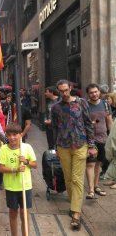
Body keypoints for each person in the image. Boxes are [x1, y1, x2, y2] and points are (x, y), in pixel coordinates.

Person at [51, 79, 96, 231]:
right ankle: (74, 204)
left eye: (65, 90)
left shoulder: (82, 103)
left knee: (77, 179)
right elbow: (55, 128)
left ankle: (76, 214)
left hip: (80, 145)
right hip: (63, 146)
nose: (63, 93)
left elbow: (88, 124)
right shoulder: (55, 107)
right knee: (68, 178)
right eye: (60, 91)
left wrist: (92, 145)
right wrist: (55, 148)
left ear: (70, 88)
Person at [0, 123, 37, 236]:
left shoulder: (27, 147)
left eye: (15, 134)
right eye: (9, 135)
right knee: (13, 213)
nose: (12, 137)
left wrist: (26, 162)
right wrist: (15, 169)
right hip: (11, 187)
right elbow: (1, 168)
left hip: (25, 186)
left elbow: (35, 165)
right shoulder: (3, 149)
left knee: (24, 214)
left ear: (20, 135)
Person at [85, 83, 112, 199]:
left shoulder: (105, 104)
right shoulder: (85, 105)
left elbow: (109, 122)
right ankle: (90, 190)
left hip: (103, 139)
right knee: (90, 164)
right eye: (91, 92)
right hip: (90, 139)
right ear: (88, 94)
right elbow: (82, 122)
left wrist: (110, 137)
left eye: (96, 92)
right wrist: (91, 123)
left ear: (99, 92)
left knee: (98, 165)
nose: (94, 94)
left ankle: (96, 186)